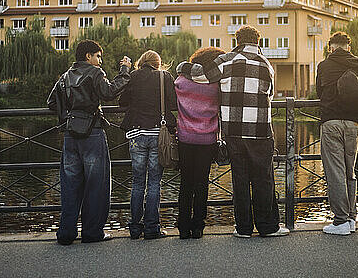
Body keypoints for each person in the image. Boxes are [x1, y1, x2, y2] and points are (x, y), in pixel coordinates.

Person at [177, 25, 289, 238]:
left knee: (240, 179)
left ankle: (243, 228)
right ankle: (267, 227)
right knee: (263, 179)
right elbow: (271, 95)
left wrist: (183, 66)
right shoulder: (266, 65)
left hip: (233, 132)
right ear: (258, 41)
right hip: (260, 131)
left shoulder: (226, 60)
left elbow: (200, 75)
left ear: (237, 40)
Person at [47, 40, 131, 245]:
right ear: (88, 56)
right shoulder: (95, 73)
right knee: (96, 185)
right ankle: (92, 233)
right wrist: (125, 70)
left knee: (70, 185)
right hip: (92, 134)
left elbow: (51, 103)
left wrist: (70, 114)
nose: (100, 61)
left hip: (70, 135)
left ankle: (66, 234)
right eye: (98, 57)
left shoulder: (65, 77)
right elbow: (109, 92)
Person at [316, 32, 358, 236]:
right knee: (350, 171)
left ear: (331, 47)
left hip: (331, 122)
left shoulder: (324, 65)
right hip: (353, 123)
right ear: (349, 46)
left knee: (335, 172)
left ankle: (340, 221)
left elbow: (320, 92)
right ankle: (351, 218)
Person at [119, 50, 177, 240]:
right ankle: (152, 228)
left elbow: (122, 102)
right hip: (157, 134)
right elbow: (173, 102)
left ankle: (135, 228)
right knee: (154, 182)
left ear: (141, 62)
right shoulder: (164, 77)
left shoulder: (133, 76)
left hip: (136, 133)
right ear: (158, 63)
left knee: (137, 183)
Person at [174, 46, 226, 239]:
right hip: (207, 139)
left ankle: (183, 227)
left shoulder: (181, 81)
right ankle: (198, 227)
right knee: (202, 183)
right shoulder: (215, 85)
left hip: (185, 138)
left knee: (186, 183)